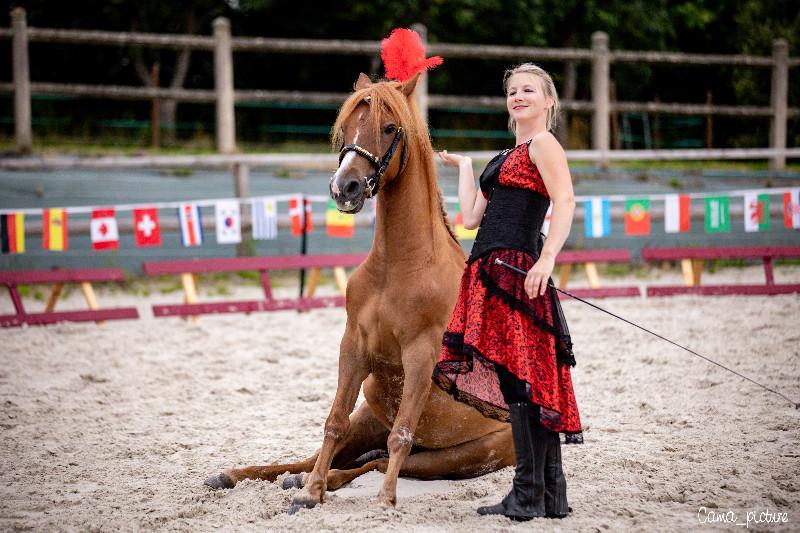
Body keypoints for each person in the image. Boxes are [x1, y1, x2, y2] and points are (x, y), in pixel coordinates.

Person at [432, 63, 582, 521]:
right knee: (523, 382)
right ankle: (549, 495)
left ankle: (528, 493)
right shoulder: (504, 156)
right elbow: (470, 218)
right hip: (488, 272)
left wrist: (548, 257)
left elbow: (566, 200)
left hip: (521, 271)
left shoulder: (544, 144)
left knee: (524, 382)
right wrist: (467, 167)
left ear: (548, 101)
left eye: (529, 90)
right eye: (513, 91)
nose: (519, 96)